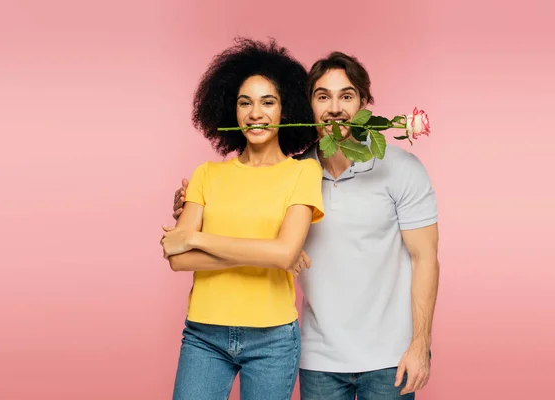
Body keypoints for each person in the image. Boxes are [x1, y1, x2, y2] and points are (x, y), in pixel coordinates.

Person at [172, 51, 440, 400]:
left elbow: (426, 260)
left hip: (390, 359)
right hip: (319, 361)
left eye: (346, 95)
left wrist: (420, 344)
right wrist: (190, 206)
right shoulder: (297, 172)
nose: (334, 108)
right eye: (322, 96)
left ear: (364, 103)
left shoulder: (401, 169)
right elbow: (246, 217)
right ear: (306, 105)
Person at [160, 38, 324, 400]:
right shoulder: (206, 174)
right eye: (244, 102)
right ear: (229, 111)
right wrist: (266, 252)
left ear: (286, 110)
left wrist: (198, 238)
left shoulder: (303, 174)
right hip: (205, 335)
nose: (255, 113)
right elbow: (177, 258)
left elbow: (283, 255)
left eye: (268, 102)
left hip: (273, 339)